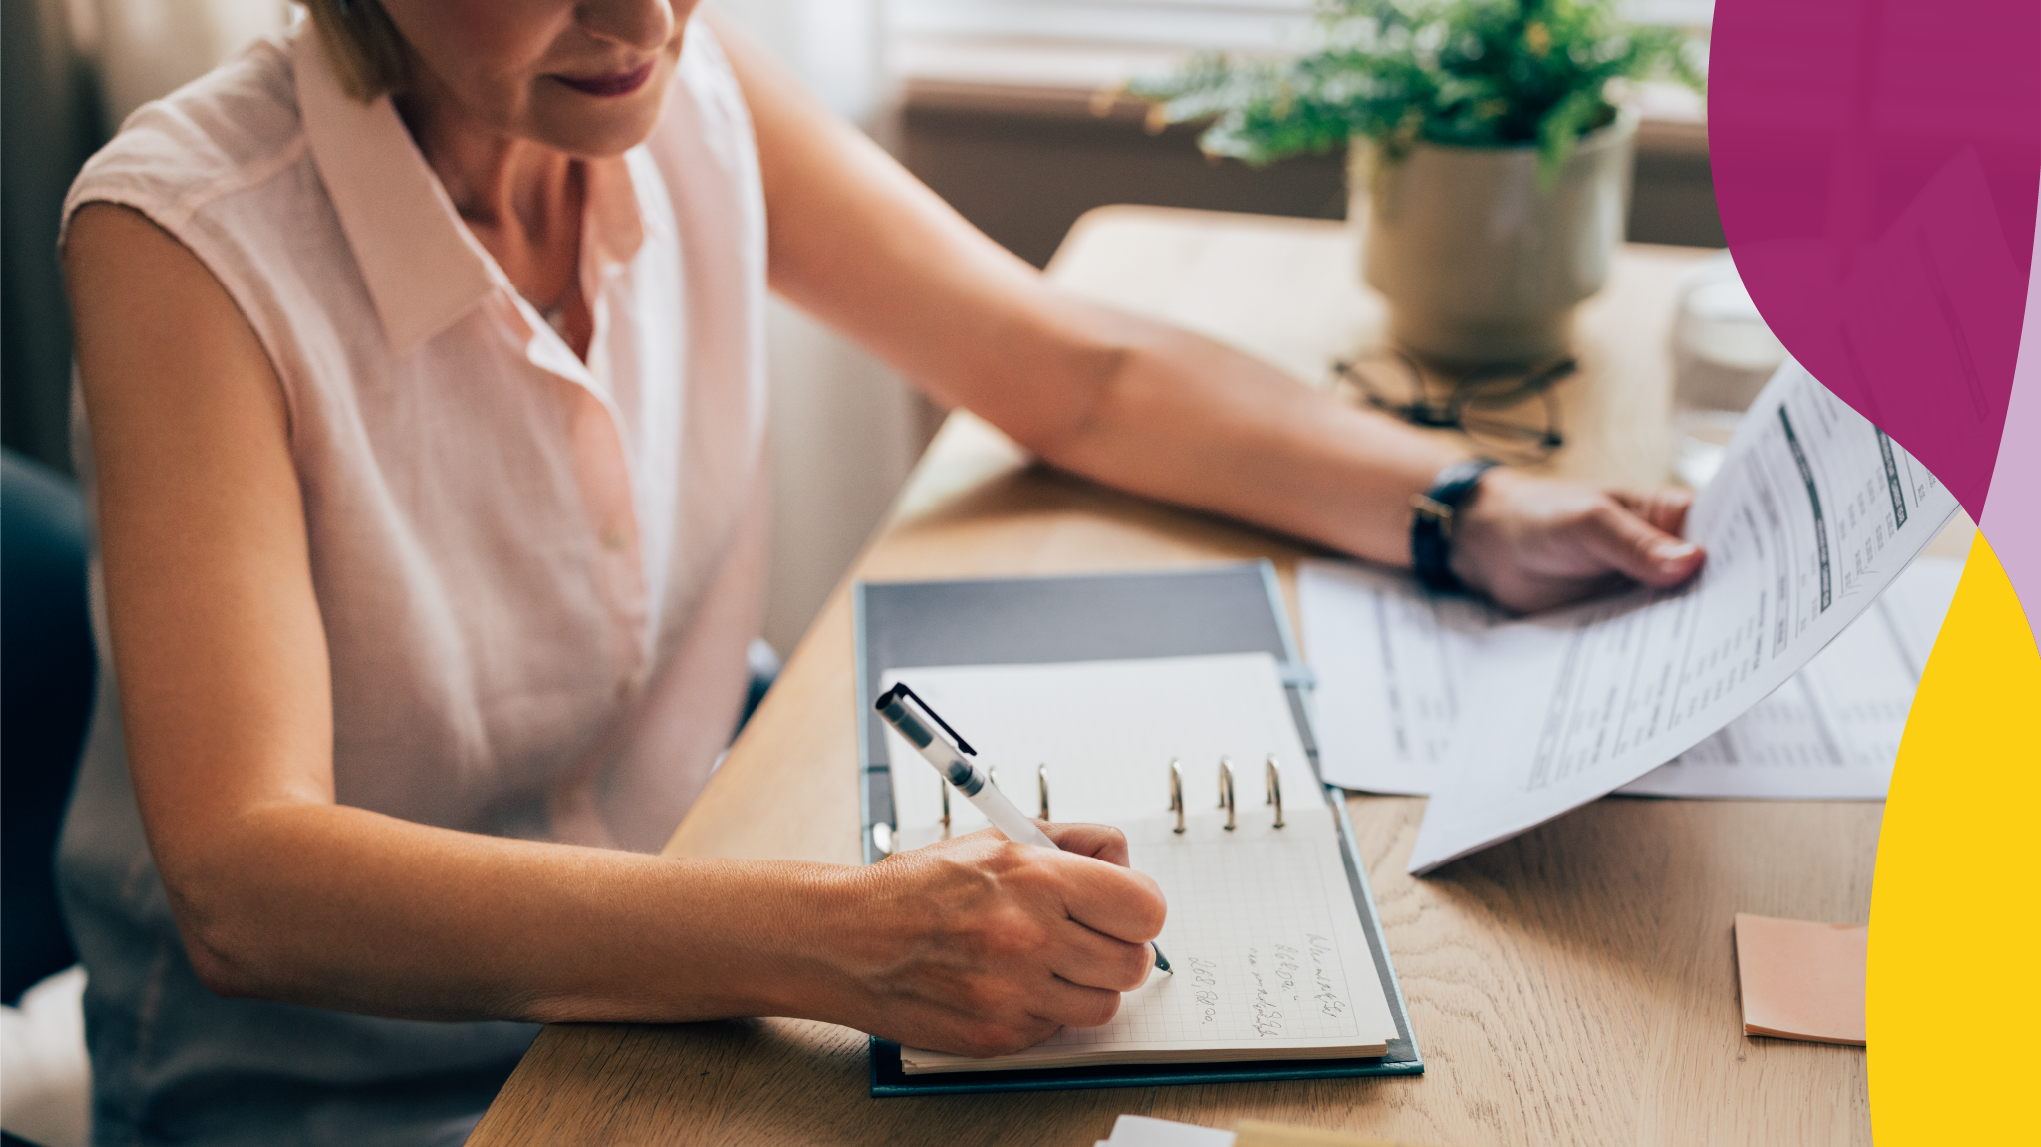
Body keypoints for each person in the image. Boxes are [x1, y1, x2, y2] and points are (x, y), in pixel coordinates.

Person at [56, 0, 1705, 1141]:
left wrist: (1457, 499)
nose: (644, 19)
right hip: (351, 1100)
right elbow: (245, 882)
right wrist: (838, 941)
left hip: (693, 997)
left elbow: (1072, 372)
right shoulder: (187, 241)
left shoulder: (674, 94)